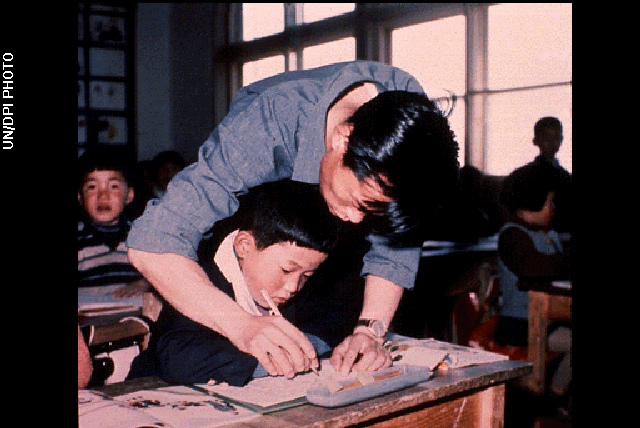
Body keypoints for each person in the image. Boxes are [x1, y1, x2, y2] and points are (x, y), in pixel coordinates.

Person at [127, 61, 460, 377]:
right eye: (361, 203)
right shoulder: (268, 124)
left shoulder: (412, 129)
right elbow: (153, 243)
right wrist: (242, 326)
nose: (357, 221)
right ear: (342, 139)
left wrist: (369, 332)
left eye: (372, 212)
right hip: (252, 214)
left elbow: (393, 249)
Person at [128, 180, 345, 386]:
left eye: (307, 275)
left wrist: (311, 346)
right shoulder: (198, 279)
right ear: (244, 245)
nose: (293, 287)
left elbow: (332, 317)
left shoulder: (292, 277)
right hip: (153, 397)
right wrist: (269, 360)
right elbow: (177, 359)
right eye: (286, 270)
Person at [497, 162, 571, 397]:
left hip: (549, 321)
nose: (553, 208)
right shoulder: (512, 236)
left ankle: (557, 394)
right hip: (520, 324)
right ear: (529, 205)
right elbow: (534, 268)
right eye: (549, 202)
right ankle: (554, 396)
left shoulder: (550, 234)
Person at [78, 148, 150, 298]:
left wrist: (145, 283)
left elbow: (165, 275)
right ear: (80, 197)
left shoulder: (144, 238)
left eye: (113, 186)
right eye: (92, 187)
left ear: (129, 195)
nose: (103, 196)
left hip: (133, 318)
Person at [530, 116, 571, 233]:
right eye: (546, 138)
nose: (552, 142)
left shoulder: (564, 175)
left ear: (562, 139)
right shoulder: (528, 175)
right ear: (536, 141)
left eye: (556, 137)